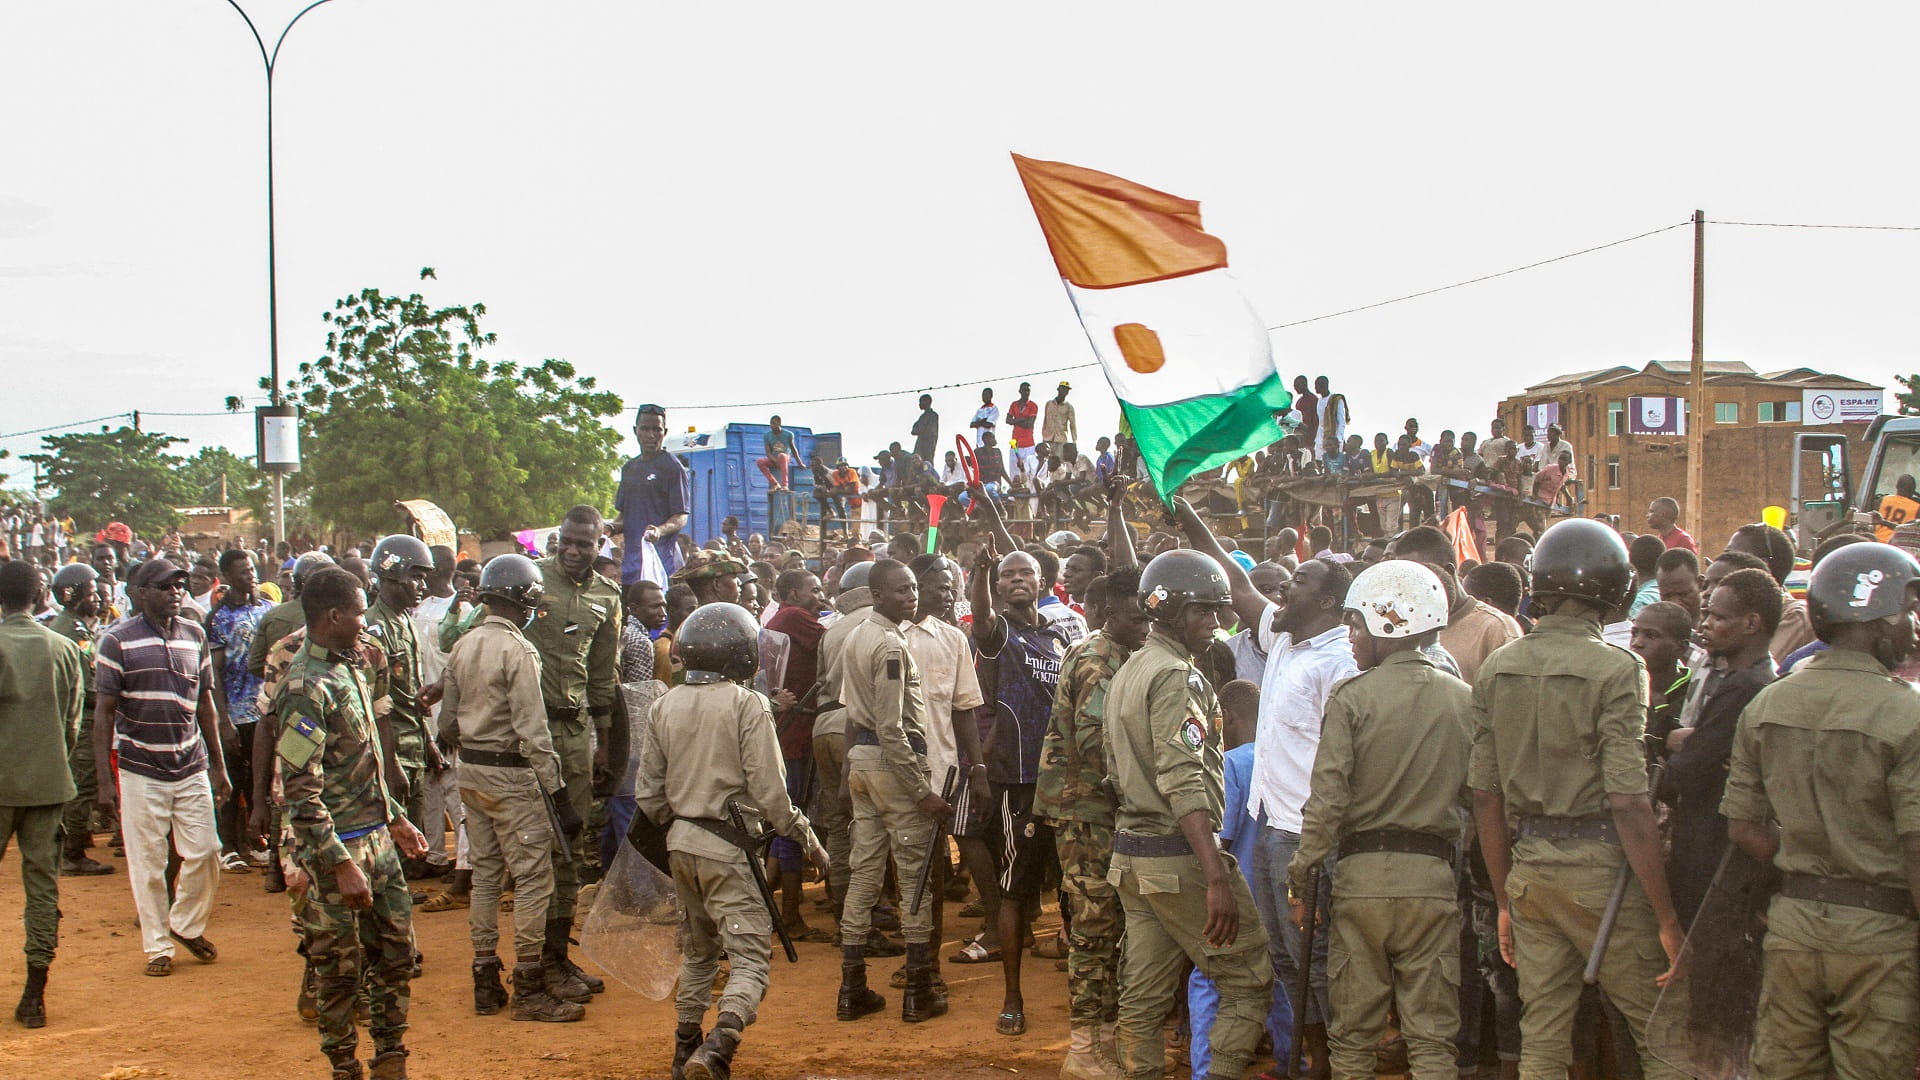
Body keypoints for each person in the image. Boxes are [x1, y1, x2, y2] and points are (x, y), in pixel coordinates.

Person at [1469, 520, 1684, 1080]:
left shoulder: (1498, 666)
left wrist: (1505, 901)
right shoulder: (1619, 668)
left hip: (1531, 871)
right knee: (1661, 1030)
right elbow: (1628, 799)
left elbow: (1485, 797)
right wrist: (1665, 916)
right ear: (1614, 589)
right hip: (1601, 872)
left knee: (1542, 1035)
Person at [1722, 542, 1920, 1079]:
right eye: (1908, 612)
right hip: (1882, 939)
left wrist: (1808, 861)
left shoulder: (1767, 703)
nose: (1914, 627)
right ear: (1880, 624)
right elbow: (1915, 845)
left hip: (1793, 928)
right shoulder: (1908, 714)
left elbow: (1743, 826)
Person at [1288, 560, 1471, 1080]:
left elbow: (1325, 804)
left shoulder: (1352, 698)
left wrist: (1301, 882)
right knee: (1433, 1040)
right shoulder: (1463, 699)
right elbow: (1479, 796)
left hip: (1361, 884)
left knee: (1353, 1041)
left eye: (1357, 624)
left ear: (1388, 624)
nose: (1350, 636)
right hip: (1433, 881)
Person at [636, 602, 827, 1080]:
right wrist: (809, 841)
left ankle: (685, 1050)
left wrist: (681, 821)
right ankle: (718, 1048)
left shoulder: (664, 703)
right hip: (730, 848)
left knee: (699, 952)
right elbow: (772, 795)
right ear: (743, 655)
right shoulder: (747, 704)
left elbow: (648, 795)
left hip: (681, 844)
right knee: (750, 958)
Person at [1104, 549, 1273, 1080]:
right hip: (1178, 856)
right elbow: (1183, 780)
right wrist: (1216, 874)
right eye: (1204, 611)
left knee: (1144, 997)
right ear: (1172, 611)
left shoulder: (1132, 667)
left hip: (1133, 855)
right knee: (1249, 979)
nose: (1217, 624)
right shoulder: (1177, 676)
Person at [277, 566, 430, 1080]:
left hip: (378, 840)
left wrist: (396, 818)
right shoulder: (302, 687)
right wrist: (339, 865)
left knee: (396, 953)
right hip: (335, 851)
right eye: (360, 613)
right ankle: (345, 1066)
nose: (366, 623)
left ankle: (391, 1056)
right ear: (334, 615)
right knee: (340, 971)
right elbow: (300, 789)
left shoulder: (350, 669)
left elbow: (365, 764)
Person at [432, 552, 585, 1024]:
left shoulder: (464, 645)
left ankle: (484, 978)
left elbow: (447, 723)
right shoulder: (518, 650)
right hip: (512, 775)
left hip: (471, 771)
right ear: (527, 602)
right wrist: (558, 795)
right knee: (534, 878)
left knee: (485, 875)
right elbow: (534, 733)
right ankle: (530, 985)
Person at [93, 557, 232, 978]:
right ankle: (157, 947)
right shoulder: (115, 640)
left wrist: (219, 765)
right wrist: (105, 780)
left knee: (207, 851)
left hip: (190, 762)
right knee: (148, 861)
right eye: (165, 586)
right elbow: (104, 714)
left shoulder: (194, 634)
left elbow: (205, 703)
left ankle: (184, 925)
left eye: (179, 585)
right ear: (140, 593)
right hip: (139, 766)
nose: (175, 592)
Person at [1036, 564, 1149, 1080]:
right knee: (1093, 927)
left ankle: (1106, 1043)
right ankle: (1084, 1050)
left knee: (1112, 926)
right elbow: (1095, 741)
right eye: (1135, 616)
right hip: (1088, 815)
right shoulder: (1101, 660)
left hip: (1097, 814)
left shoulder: (1119, 653)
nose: (1145, 625)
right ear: (1111, 612)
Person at [834, 559, 949, 1023]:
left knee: (864, 871)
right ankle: (918, 992)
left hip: (863, 764)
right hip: (890, 766)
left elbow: (852, 715)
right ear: (877, 595)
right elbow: (892, 729)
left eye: (914, 589)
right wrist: (922, 790)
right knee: (915, 875)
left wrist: (848, 775)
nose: (912, 597)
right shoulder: (889, 645)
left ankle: (852, 987)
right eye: (902, 591)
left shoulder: (858, 634)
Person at [968, 541, 1073, 1037]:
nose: (1014, 580)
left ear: (1043, 583)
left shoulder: (1057, 638)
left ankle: (1085, 989)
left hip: (1066, 780)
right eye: (1006, 574)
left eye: (1023, 573)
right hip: (1020, 780)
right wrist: (980, 576)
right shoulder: (997, 632)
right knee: (1014, 891)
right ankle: (1012, 995)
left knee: (1074, 888)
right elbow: (982, 617)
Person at [523, 506, 623, 996]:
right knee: (536, 849)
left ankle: (557, 958)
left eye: (585, 543)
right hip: (528, 732)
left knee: (572, 843)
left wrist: (605, 744)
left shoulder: (608, 597)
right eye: (567, 540)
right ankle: (532, 965)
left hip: (576, 732)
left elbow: (604, 677)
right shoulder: (531, 580)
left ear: (600, 543)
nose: (574, 550)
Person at [1656, 568, 1778, 926]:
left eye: (1719, 617)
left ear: (1752, 623)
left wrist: (1666, 752)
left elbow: (1681, 777)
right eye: (1707, 614)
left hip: (1712, 853)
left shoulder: (1744, 688)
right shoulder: (1738, 679)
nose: (1705, 624)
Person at [0, 560, 86, 1028]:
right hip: (49, 783)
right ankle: (34, 994)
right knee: (41, 888)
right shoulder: (65, 648)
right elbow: (72, 724)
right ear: (39, 596)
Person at [363, 536, 436, 884]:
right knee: (390, 834)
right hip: (392, 751)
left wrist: (430, 744)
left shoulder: (405, 621)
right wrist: (390, 765)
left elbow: (412, 694)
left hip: (413, 746)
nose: (422, 585)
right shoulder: (374, 628)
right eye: (416, 576)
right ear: (392, 574)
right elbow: (376, 707)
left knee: (412, 834)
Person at [763, 569, 831, 942]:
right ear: (792, 592)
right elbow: (833, 639)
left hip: (793, 727)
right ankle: (789, 915)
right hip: (797, 732)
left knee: (785, 821)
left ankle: (769, 906)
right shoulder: (793, 616)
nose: (819, 596)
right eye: (814, 589)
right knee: (791, 821)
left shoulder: (781, 617)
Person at [206, 550, 277, 872]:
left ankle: (255, 840)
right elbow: (215, 673)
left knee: (258, 780)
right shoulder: (219, 618)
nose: (250, 575)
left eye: (252, 569)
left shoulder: (268, 610)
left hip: (264, 710)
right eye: (243, 571)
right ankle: (228, 846)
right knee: (232, 782)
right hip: (235, 712)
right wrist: (223, 719)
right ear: (229, 577)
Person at [45, 562, 111, 877]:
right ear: (70, 595)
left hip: (75, 713)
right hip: (82, 717)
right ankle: (73, 853)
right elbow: (88, 682)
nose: (97, 597)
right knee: (82, 785)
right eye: (91, 592)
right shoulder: (73, 630)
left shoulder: (72, 625)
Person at [613, 404, 691, 584]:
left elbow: (680, 516)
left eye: (657, 429)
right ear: (635, 431)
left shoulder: (672, 467)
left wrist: (659, 530)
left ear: (665, 432)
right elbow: (624, 517)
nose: (651, 435)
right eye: (645, 429)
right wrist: (609, 527)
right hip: (631, 568)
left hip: (662, 565)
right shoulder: (629, 468)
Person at [1629, 601, 1695, 749]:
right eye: (1634, 633)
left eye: (1651, 636)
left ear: (1681, 648)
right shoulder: (1622, 686)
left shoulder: (1695, 693)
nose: (1637, 643)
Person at [1655, 547, 1703, 622]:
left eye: (1683, 594)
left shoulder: (1717, 629)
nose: (1675, 603)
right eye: (1667, 596)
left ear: (1700, 584)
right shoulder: (1654, 626)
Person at [1873, 473, 1920, 542]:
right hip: (1898, 545)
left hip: (1877, 541)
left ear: (1897, 486)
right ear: (1912, 491)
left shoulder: (1883, 500)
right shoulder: (1917, 507)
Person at [757, 415, 797, 492]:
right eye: (771, 424)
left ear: (779, 423)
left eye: (773, 423)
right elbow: (768, 452)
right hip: (774, 459)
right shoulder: (767, 436)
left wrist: (800, 462)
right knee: (760, 461)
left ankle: (785, 485)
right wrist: (775, 461)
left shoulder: (788, 434)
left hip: (784, 458)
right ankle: (775, 484)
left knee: (781, 455)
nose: (771, 426)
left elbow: (793, 449)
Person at [1008, 382, 1040, 473]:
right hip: (1015, 444)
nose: (1026, 392)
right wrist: (1022, 419)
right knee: (1014, 473)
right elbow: (1008, 420)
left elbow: (1029, 424)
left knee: (1029, 472)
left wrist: (1015, 420)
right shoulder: (1014, 404)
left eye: (1028, 391)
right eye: (1024, 390)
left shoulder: (1033, 406)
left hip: (1028, 444)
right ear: (1020, 391)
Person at [1042, 381, 1077, 455]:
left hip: (1061, 439)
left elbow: (1072, 425)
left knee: (1059, 463)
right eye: (1063, 389)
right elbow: (1045, 420)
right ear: (1058, 389)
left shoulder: (1069, 407)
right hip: (1048, 438)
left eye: (1066, 390)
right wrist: (1043, 434)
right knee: (1047, 462)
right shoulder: (1049, 404)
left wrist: (1074, 441)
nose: (1064, 392)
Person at [911, 394, 940, 464]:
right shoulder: (923, 416)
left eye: (921, 402)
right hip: (921, 446)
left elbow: (920, 430)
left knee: (927, 465)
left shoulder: (933, 415)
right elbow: (914, 430)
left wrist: (920, 429)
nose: (919, 404)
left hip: (927, 447)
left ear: (927, 402)